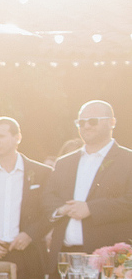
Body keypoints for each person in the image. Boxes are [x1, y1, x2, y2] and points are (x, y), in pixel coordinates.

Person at [42, 100, 132, 268]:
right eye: (81, 122)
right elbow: (47, 196)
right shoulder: (65, 162)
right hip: (63, 257)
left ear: (112, 122)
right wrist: (62, 209)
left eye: (93, 121)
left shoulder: (128, 160)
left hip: (107, 261)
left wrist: (91, 208)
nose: (86, 126)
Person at [0, 116, 51, 279]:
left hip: (28, 255)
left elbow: (50, 212)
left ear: (17, 138)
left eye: (1, 136)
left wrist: (30, 234)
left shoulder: (42, 173)